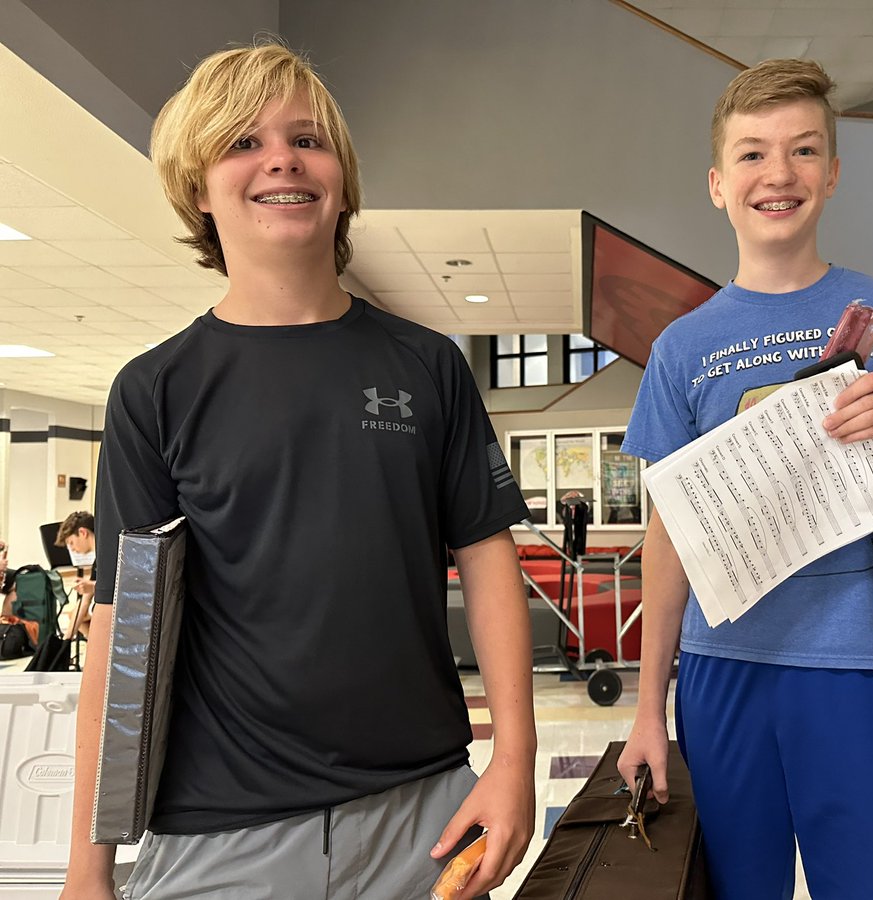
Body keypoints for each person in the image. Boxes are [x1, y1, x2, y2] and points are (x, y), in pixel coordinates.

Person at [61, 42, 536, 900]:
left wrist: (515, 760)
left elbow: (487, 554)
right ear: (197, 192)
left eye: (307, 139)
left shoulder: (427, 366)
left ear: (343, 182)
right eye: (242, 142)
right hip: (221, 830)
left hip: (420, 815)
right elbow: (117, 634)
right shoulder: (155, 391)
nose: (281, 156)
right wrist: (87, 870)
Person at [615, 58, 873, 900]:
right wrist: (645, 710)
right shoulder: (682, 347)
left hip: (864, 664)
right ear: (716, 183)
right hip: (721, 667)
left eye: (804, 151)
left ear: (834, 173)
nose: (778, 174)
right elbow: (668, 538)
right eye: (752, 155)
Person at [55, 511, 96, 637]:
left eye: (71, 542)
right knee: (75, 613)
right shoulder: (98, 560)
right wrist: (66, 641)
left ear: (83, 533)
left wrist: (93, 586)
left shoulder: (110, 553)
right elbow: (85, 600)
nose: (71, 549)